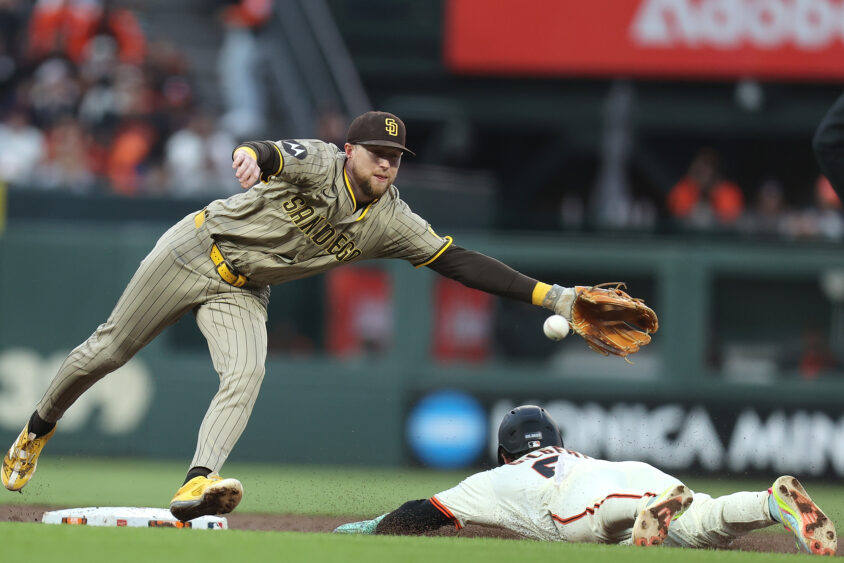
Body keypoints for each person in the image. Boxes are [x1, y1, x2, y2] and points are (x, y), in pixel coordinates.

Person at [0, 111, 655, 521]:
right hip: (195, 249)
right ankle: (34, 432)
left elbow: (457, 261)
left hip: (244, 290)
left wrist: (556, 297)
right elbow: (272, 153)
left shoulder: (393, 220)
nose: (387, 164)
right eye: (376, 153)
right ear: (350, 151)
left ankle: (197, 481)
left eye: (395, 158)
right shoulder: (320, 162)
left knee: (246, 374)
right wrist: (252, 155)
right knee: (109, 351)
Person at [334, 405, 837, 556]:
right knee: (704, 522)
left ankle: (647, 512)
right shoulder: (572, 453)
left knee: (593, 523)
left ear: (504, 452)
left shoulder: (494, 478)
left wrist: (372, 526)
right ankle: (771, 503)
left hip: (580, 498)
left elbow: (420, 514)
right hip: (633, 474)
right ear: (556, 438)